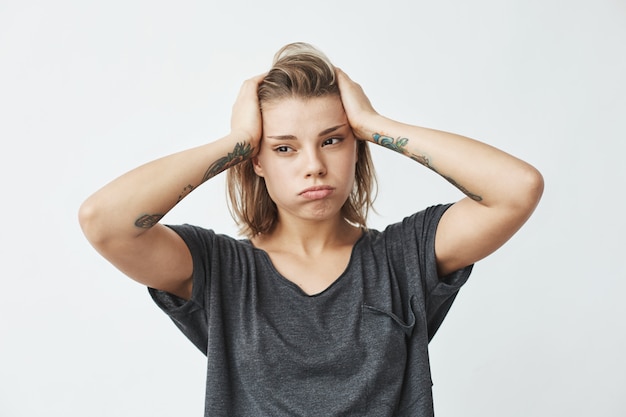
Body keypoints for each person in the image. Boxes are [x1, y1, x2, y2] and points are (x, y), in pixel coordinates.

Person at [79, 42, 544, 416]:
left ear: (355, 147)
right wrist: (235, 142)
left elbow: (517, 189)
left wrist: (374, 124)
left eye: (332, 140)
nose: (314, 166)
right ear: (256, 161)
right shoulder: (221, 270)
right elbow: (105, 222)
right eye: (285, 149)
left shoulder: (405, 258)